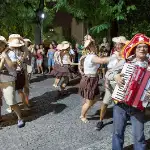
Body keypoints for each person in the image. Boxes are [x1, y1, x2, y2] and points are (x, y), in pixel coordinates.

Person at [107, 33, 150, 150]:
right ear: (134, 49)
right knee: (117, 133)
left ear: (148, 49)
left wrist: (148, 96)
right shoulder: (126, 62)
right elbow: (108, 73)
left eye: (145, 46)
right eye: (139, 47)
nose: (142, 49)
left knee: (139, 137)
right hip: (121, 104)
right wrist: (115, 76)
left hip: (138, 106)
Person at [96, 36, 127, 130]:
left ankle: (123, 120)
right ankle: (100, 121)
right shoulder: (113, 55)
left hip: (120, 83)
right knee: (105, 102)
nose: (117, 46)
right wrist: (106, 82)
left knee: (121, 103)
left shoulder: (127, 56)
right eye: (116, 44)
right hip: (110, 82)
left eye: (119, 44)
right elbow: (109, 70)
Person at [79, 37, 111, 123]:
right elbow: (102, 61)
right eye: (94, 45)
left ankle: (86, 105)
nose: (96, 47)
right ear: (90, 47)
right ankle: (82, 115)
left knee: (96, 97)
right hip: (89, 80)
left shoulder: (90, 56)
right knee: (89, 102)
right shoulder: (92, 57)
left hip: (92, 80)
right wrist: (114, 57)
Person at [0, 35, 25, 128]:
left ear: (3, 44)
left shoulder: (10, 53)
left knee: (11, 102)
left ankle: (20, 118)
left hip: (8, 81)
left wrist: (5, 57)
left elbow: (13, 66)